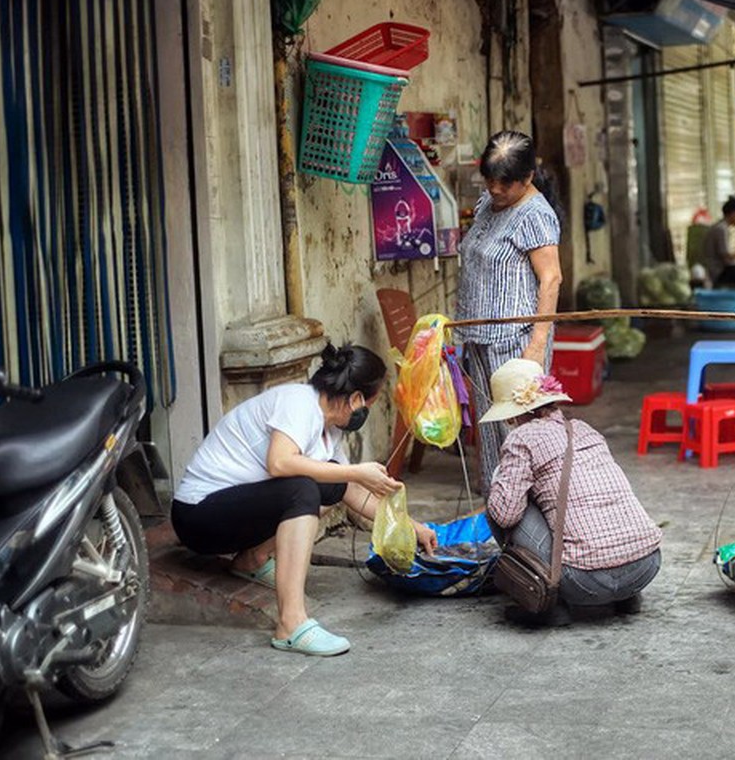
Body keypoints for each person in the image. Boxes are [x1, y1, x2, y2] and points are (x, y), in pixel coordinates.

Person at [171, 343, 438, 657]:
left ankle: (251, 561)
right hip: (198, 515)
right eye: (371, 402)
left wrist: (411, 527)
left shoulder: (330, 429)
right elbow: (279, 463)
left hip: (232, 511)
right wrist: (356, 470)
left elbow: (349, 489)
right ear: (355, 400)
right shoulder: (298, 404)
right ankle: (290, 624)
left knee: (328, 481)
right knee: (304, 489)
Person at [483, 359, 663, 627]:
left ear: (510, 415)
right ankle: (627, 596)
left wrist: (502, 481)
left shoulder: (521, 440)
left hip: (583, 582)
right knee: (596, 499)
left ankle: (547, 601)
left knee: (504, 496)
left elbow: (505, 515)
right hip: (646, 565)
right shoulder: (585, 429)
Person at [456, 130, 563, 496]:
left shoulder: (535, 215)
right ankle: (497, 506)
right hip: (480, 338)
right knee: (489, 430)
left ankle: (527, 512)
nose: (495, 189)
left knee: (516, 430)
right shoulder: (488, 202)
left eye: (504, 184)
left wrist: (537, 344)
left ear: (527, 178)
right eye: (490, 180)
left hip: (514, 343)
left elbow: (551, 280)